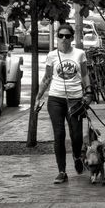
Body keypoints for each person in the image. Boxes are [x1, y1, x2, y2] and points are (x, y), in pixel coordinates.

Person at [34, 24, 93, 184]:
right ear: (57, 37)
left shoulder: (80, 54)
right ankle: (62, 171)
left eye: (67, 36)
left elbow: (85, 74)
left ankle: (76, 156)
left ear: (72, 38)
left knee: (76, 136)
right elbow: (47, 78)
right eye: (61, 36)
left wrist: (88, 91)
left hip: (75, 100)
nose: (64, 39)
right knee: (59, 135)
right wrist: (38, 97)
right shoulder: (52, 55)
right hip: (56, 99)